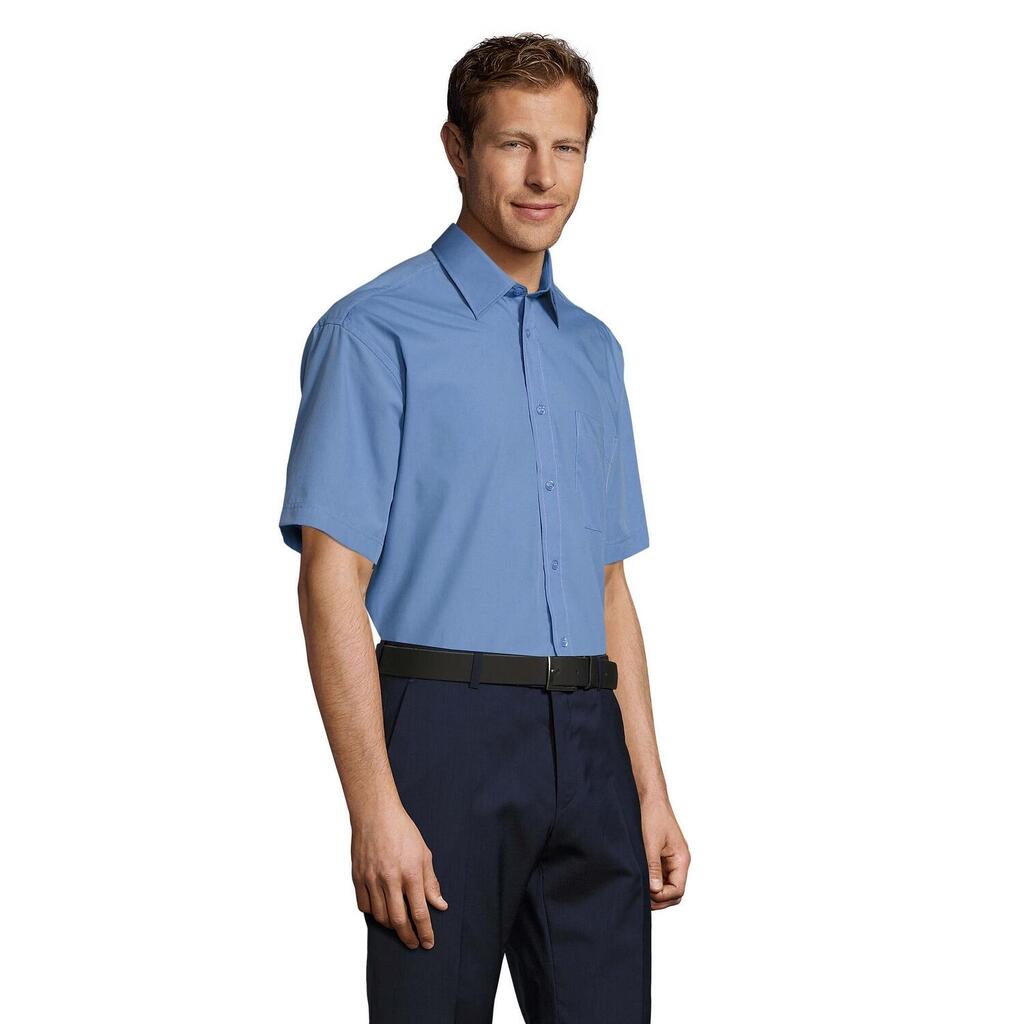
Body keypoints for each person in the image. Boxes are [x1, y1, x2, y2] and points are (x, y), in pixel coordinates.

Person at [278, 31, 690, 1023]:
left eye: (566, 147)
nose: (543, 176)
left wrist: (649, 788)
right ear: (457, 150)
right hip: (444, 736)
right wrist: (374, 807)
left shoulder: (594, 351)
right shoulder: (372, 331)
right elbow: (330, 578)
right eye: (514, 144)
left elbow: (608, 586)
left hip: (589, 738)